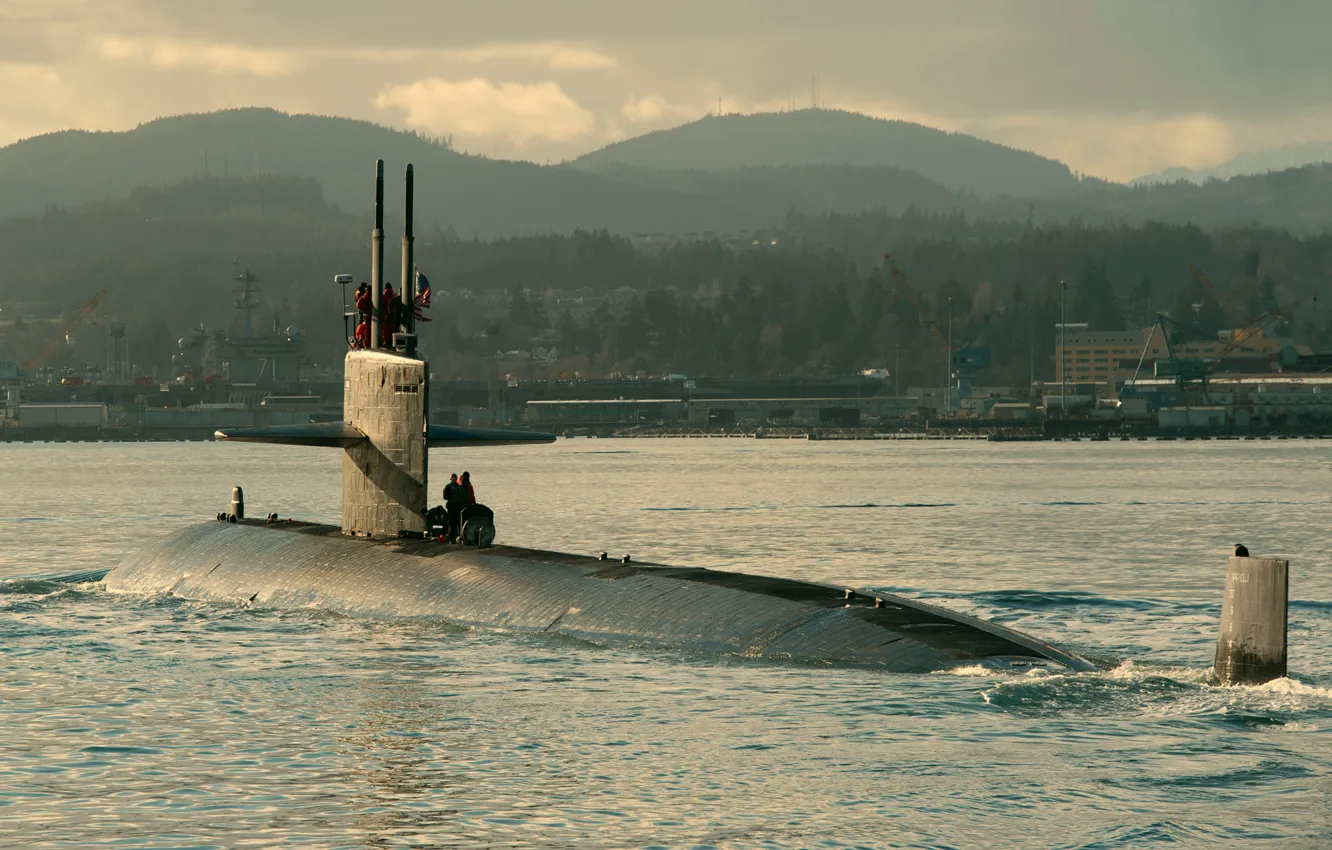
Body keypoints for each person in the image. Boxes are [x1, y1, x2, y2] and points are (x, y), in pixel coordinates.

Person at [443, 472, 467, 543]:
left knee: (453, 524)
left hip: (453, 507)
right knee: (456, 524)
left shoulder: (450, 487)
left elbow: (445, 497)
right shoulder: (459, 487)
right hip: (456, 507)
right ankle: (457, 539)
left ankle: (454, 539)